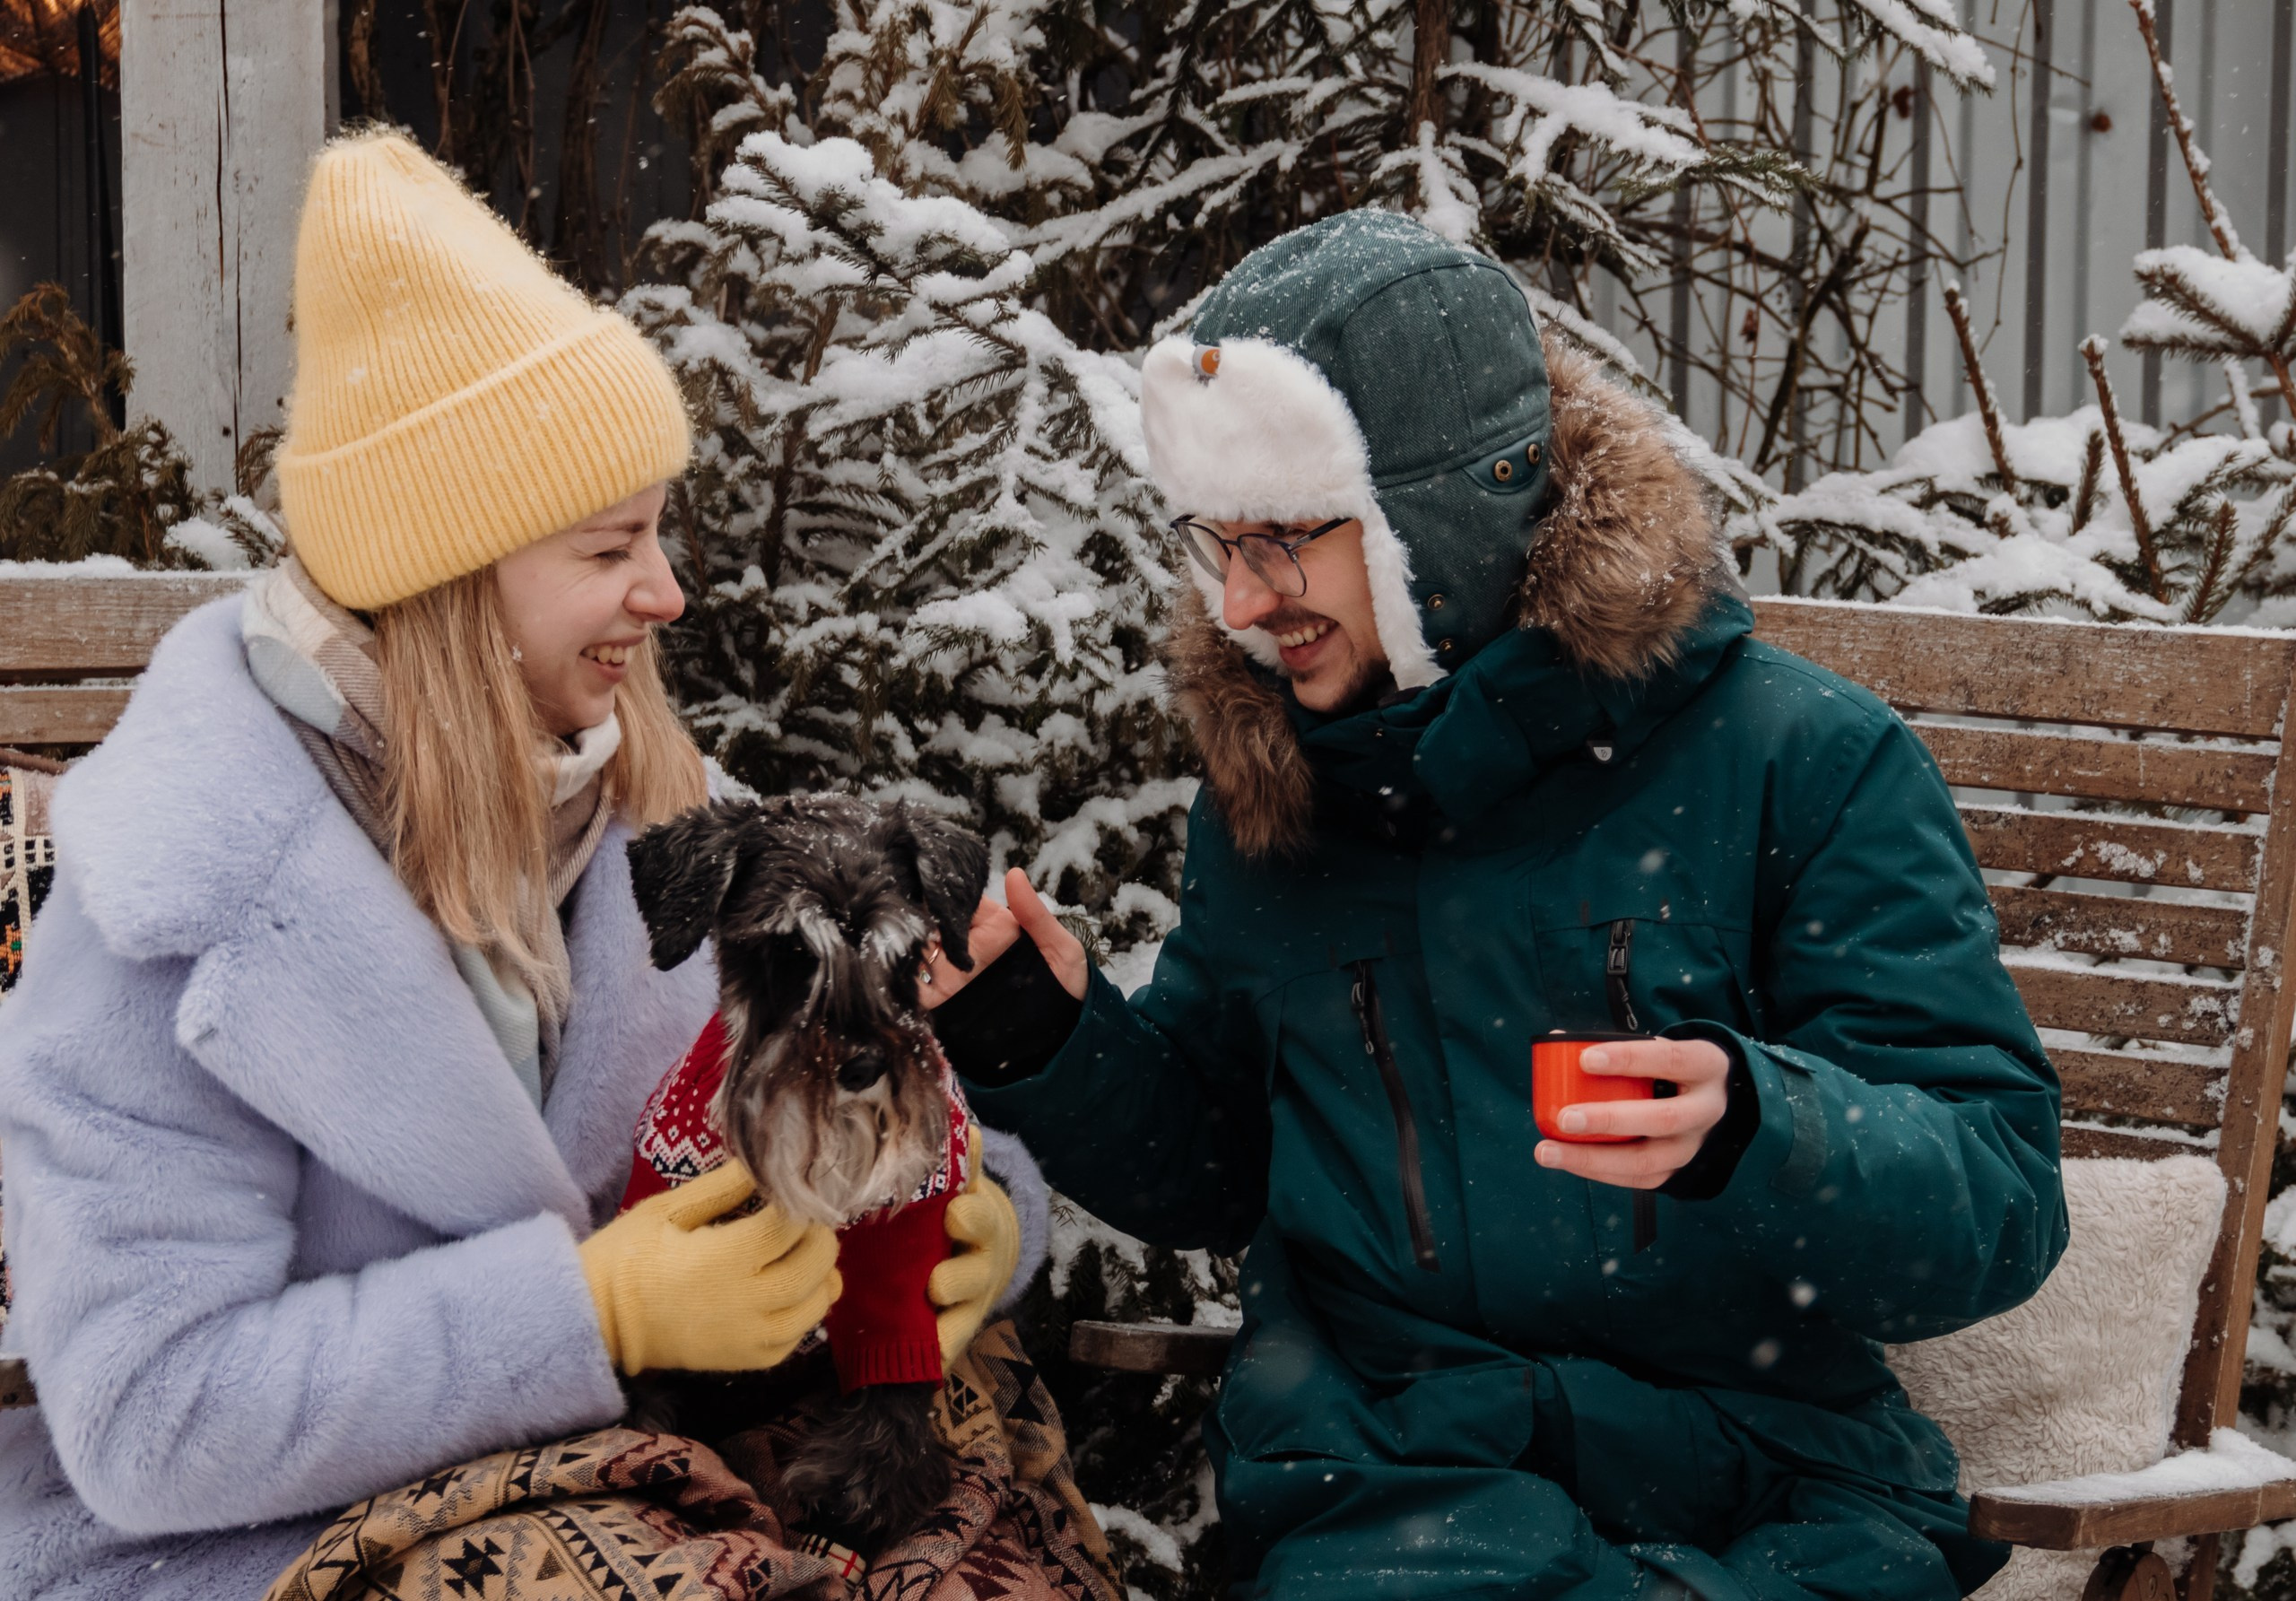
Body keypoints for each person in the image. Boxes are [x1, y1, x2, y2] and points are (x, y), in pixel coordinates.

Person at [924, 212, 2068, 1601]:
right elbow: (1222, 1164)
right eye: (1217, 541)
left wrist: (1761, 1130)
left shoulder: (1801, 761)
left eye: (1284, 540)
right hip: (1404, 1489)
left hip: (1774, 1478)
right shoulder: (1276, 799)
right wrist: (1045, 1032)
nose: (1238, 599)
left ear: (1440, 521)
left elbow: (1996, 1202)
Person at [0, 132, 1029, 1601]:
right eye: (613, 548)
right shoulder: (172, 902)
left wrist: (976, 1235)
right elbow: (151, 1412)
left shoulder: (640, 798)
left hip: (642, 1482)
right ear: (453, 572)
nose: (667, 592)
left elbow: (869, 1085)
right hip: (262, 1548)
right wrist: (585, 1309)